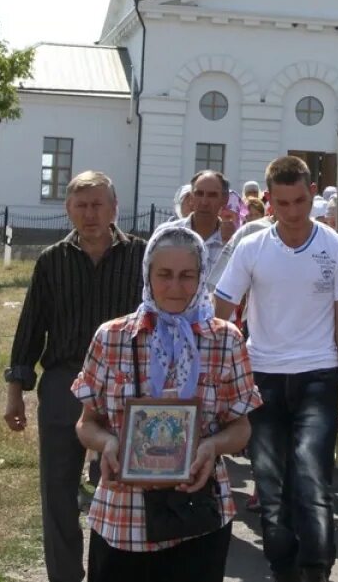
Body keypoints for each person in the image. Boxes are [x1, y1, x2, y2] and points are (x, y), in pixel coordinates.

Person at [71, 224, 261, 581]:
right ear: (148, 274)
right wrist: (108, 443)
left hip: (198, 516)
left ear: (202, 275)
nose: (176, 287)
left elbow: (241, 427)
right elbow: (86, 423)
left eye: (187, 275)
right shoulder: (112, 337)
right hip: (122, 518)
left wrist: (210, 446)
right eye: (165, 275)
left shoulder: (225, 340)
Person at [213, 155, 338, 582]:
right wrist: (227, 379)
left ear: (312, 195)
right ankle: (283, 568)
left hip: (318, 374)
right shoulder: (251, 246)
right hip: (262, 376)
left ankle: (316, 569)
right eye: (282, 203)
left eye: (300, 201)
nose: (293, 212)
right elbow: (222, 314)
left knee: (312, 477)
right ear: (267, 201)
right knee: (271, 483)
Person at [3, 171, 147, 582]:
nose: (90, 214)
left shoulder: (140, 256)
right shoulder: (52, 261)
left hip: (125, 384)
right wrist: (16, 392)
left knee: (122, 482)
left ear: (114, 208)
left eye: (97, 205)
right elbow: (30, 328)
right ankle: (64, 574)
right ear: (68, 210)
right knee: (58, 488)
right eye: (81, 206)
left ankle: (114, 569)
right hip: (65, 381)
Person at [173, 171, 236, 280]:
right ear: (191, 197)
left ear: (224, 200)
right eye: (199, 194)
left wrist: (231, 245)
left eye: (212, 195)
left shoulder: (234, 242)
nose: (204, 202)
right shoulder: (169, 234)